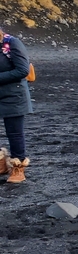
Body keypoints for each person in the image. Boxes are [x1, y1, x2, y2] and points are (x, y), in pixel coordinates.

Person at [0, 25, 33, 184]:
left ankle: (18, 168)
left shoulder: (12, 43)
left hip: (14, 95)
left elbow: (22, 70)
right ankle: (1, 164)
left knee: (14, 133)